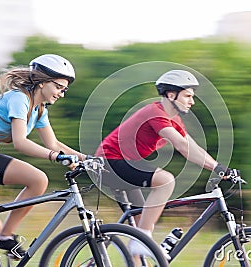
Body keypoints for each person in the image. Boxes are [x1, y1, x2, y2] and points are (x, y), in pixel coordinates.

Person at [0, 54, 86, 267]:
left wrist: (86, 158)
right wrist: (57, 157)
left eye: (65, 89)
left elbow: (53, 144)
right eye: (59, 87)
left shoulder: (39, 108)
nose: (62, 94)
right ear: (42, 81)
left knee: (38, 180)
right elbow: (21, 143)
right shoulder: (19, 99)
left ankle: (5, 236)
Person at [95, 69, 231, 256]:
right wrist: (215, 168)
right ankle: (141, 243)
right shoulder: (155, 113)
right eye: (188, 96)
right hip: (110, 162)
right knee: (166, 181)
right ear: (171, 94)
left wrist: (219, 167)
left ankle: (138, 252)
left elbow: (194, 148)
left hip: (124, 163)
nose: (192, 101)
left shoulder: (174, 120)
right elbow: (182, 146)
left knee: (142, 224)